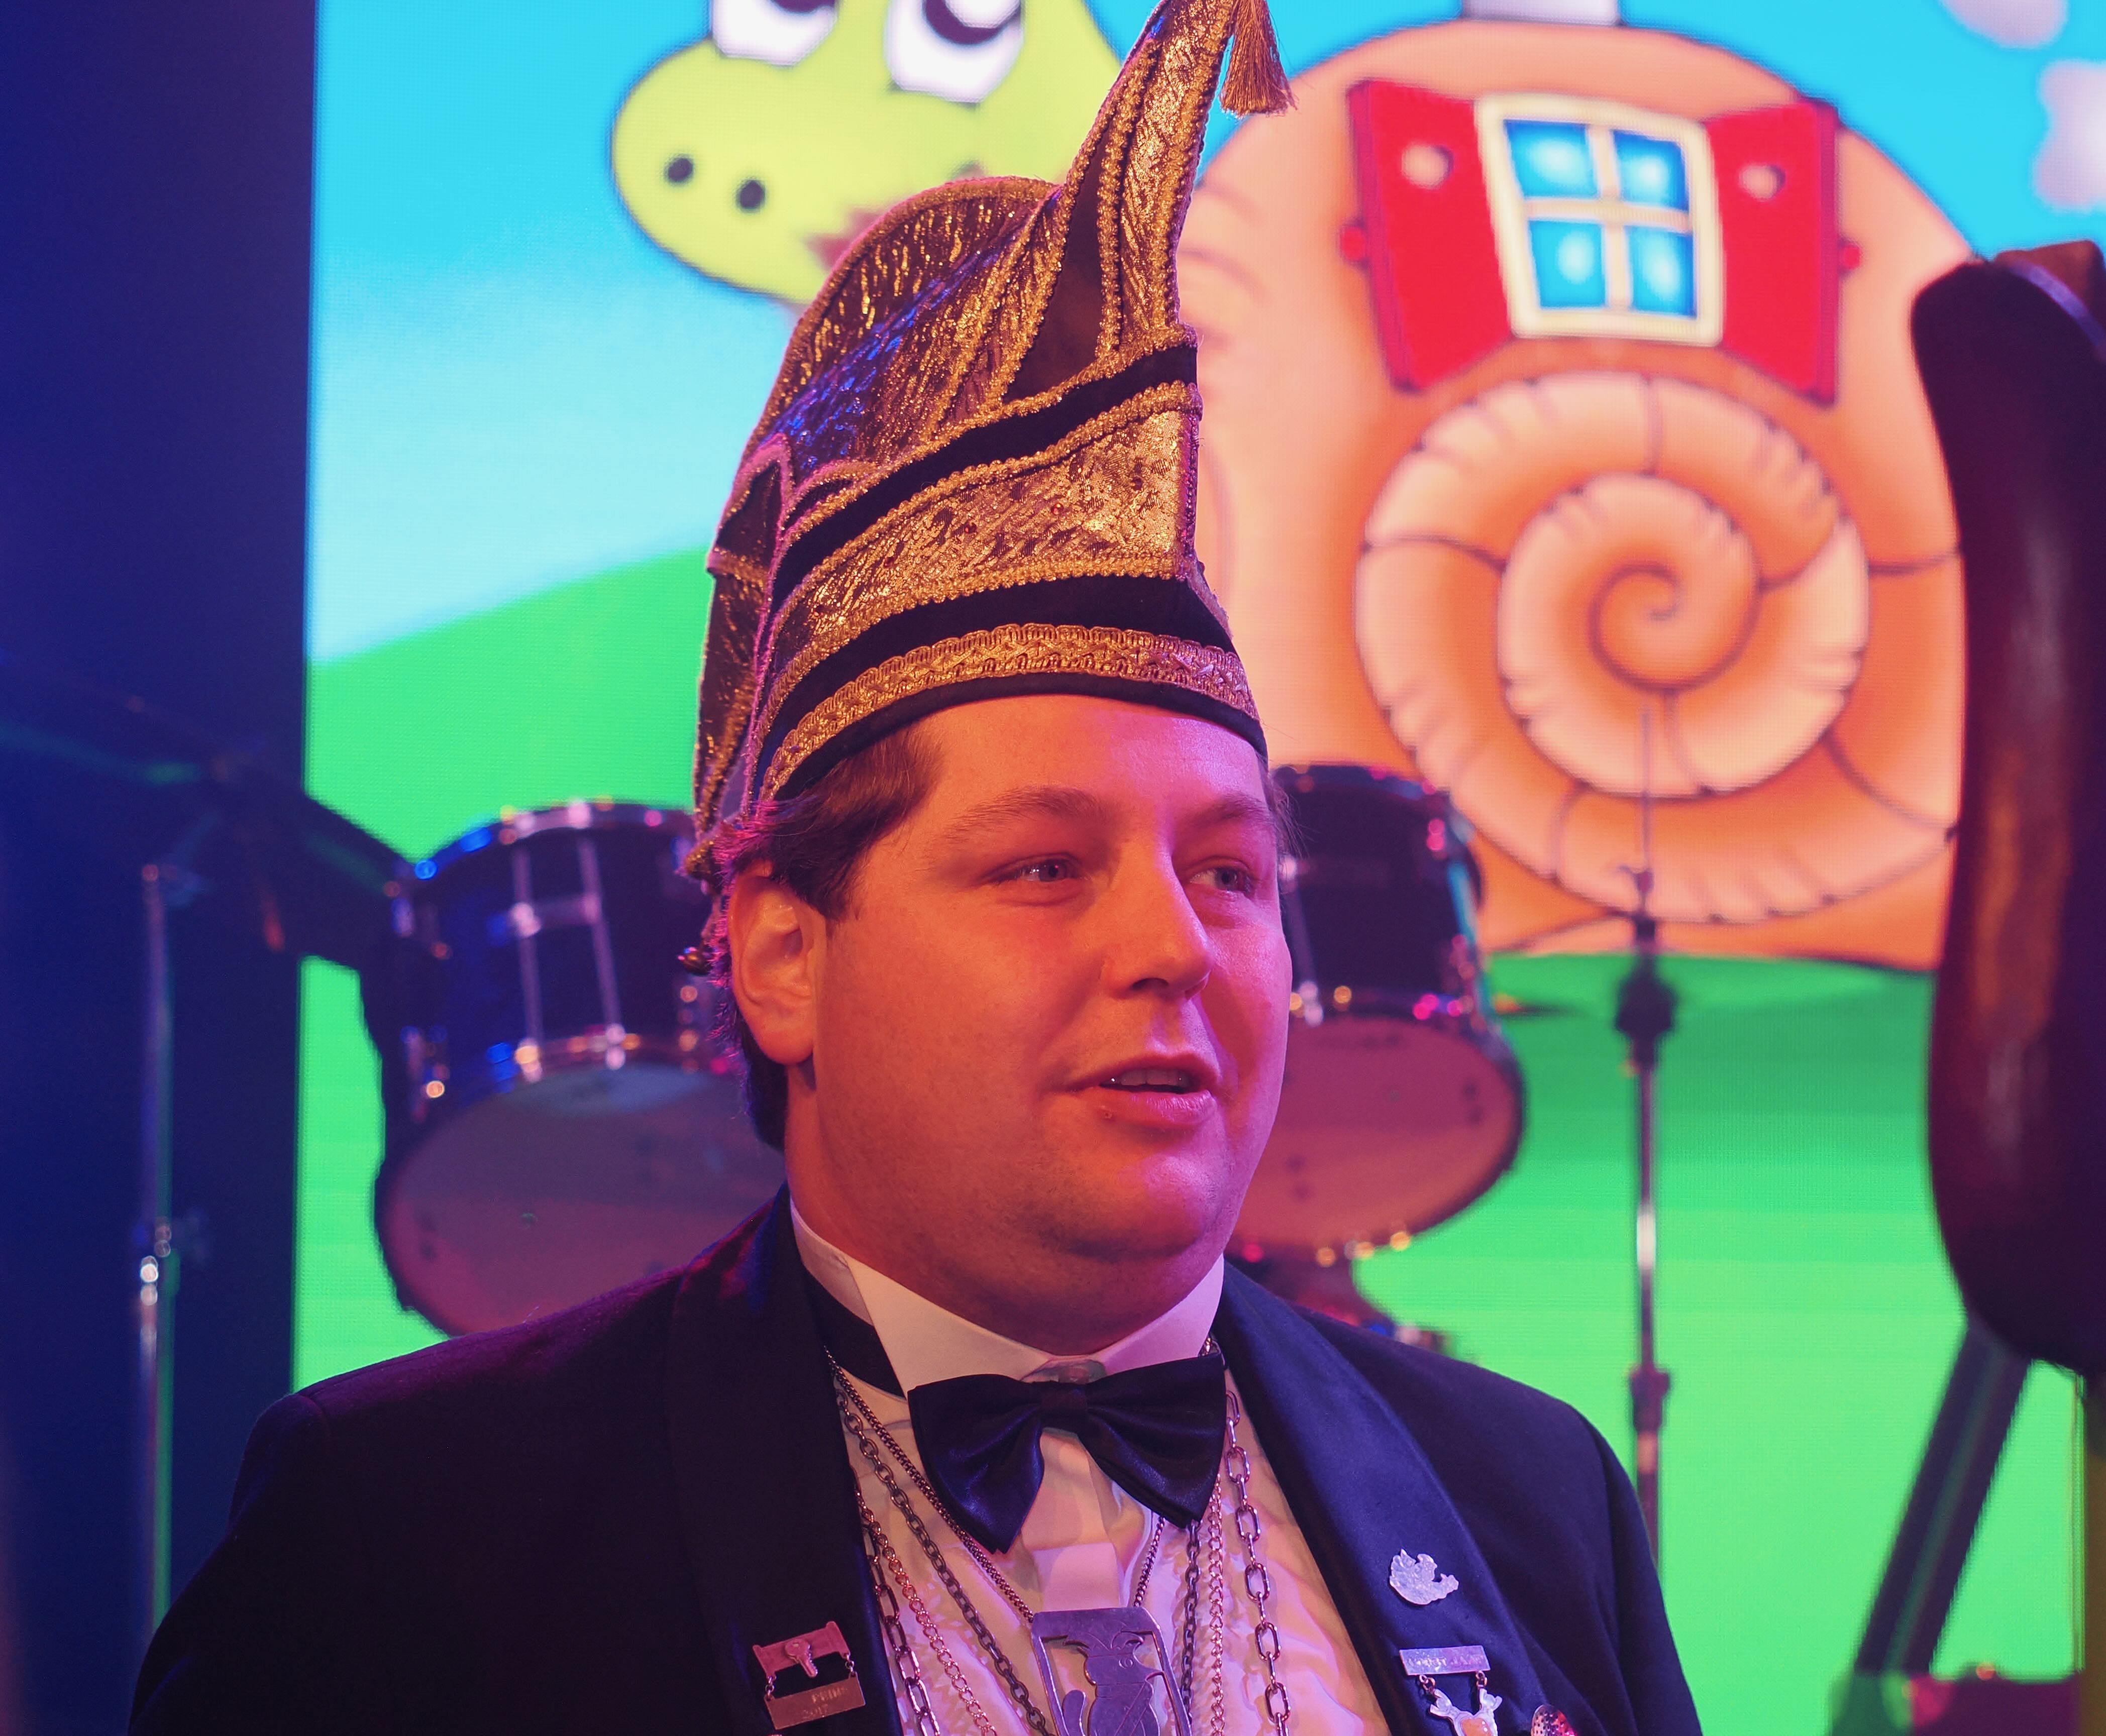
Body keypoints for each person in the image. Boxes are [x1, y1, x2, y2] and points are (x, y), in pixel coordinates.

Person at [132, 2, 1699, 1731]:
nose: (1174, 945)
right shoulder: (414, 1530)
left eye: (1231, 875)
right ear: (781, 955)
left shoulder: (1529, 1498)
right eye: (1043, 867)